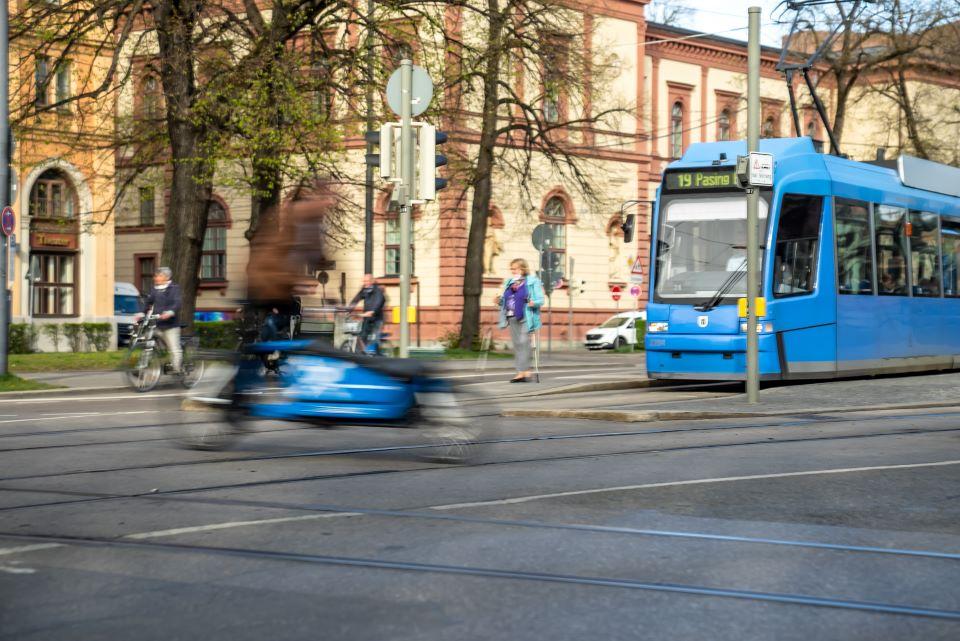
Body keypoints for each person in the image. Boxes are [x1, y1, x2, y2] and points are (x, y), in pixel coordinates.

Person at [496, 258, 545, 382]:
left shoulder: (532, 281)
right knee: (517, 345)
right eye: (511, 269)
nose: (513, 271)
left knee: (524, 342)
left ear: (523, 268)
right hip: (511, 316)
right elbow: (506, 299)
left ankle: (525, 370)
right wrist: (499, 301)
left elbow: (541, 300)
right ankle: (520, 372)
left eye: (515, 268)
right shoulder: (510, 282)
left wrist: (533, 302)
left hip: (526, 316)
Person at [139, 267, 183, 373]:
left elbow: (177, 302)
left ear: (166, 277)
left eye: (158, 276)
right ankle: (143, 365)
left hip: (170, 325)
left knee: (174, 348)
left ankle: (176, 368)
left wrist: (170, 312)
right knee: (147, 341)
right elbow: (148, 302)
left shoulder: (174, 288)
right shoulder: (155, 289)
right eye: (156, 276)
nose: (155, 278)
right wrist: (141, 313)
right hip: (157, 324)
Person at [350, 274, 386, 352]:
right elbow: (356, 299)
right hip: (367, 318)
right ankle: (362, 354)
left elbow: (378, 303)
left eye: (366, 281)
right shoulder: (364, 290)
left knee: (375, 338)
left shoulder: (378, 291)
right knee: (362, 336)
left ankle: (377, 357)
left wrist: (373, 311)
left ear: (372, 281)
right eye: (364, 281)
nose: (365, 283)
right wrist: (349, 309)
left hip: (377, 319)